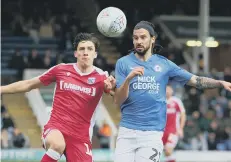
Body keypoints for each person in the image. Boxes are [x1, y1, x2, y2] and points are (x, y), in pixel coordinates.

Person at [114, 20, 231, 162]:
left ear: (152, 39)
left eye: (143, 37)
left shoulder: (164, 64)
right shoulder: (123, 63)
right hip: (127, 131)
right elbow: (118, 100)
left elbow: (196, 80)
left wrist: (219, 82)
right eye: (135, 38)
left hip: (152, 133)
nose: (138, 41)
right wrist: (128, 79)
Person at [1, 33, 116, 162]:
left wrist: (113, 88)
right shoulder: (61, 70)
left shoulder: (102, 77)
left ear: (95, 54)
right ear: (75, 53)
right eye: (81, 49)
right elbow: (29, 84)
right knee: (57, 145)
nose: (85, 52)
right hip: (56, 128)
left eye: (90, 49)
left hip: (81, 137)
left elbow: (117, 96)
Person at [162, 85, 186, 162]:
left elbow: (183, 115)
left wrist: (181, 128)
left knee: (168, 150)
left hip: (173, 131)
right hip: (161, 131)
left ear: (172, 91)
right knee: (166, 153)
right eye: (166, 89)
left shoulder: (176, 101)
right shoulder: (161, 101)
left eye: (169, 89)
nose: (167, 91)